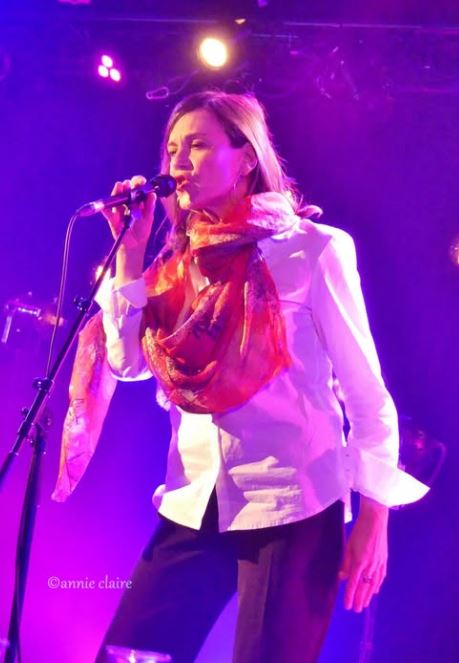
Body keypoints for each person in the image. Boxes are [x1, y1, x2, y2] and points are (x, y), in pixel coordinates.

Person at [52, 90, 428, 663]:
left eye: (198, 146)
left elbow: (367, 395)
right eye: (173, 149)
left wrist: (374, 516)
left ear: (246, 157)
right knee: (129, 654)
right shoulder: (177, 263)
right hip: (194, 495)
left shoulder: (313, 250)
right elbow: (127, 365)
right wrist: (129, 255)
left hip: (293, 502)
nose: (179, 163)